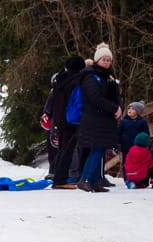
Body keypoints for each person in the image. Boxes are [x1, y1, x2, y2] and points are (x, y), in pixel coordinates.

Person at [76, 43, 122, 193]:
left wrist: (119, 106)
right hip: (93, 119)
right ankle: (85, 179)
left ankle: (95, 181)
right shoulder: (90, 76)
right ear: (97, 60)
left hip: (104, 119)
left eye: (109, 60)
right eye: (104, 60)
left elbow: (116, 95)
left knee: (100, 150)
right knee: (96, 150)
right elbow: (95, 98)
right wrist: (113, 108)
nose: (107, 63)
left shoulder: (108, 76)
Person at [49, 55, 87, 189]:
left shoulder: (59, 80)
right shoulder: (76, 81)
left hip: (59, 118)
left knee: (62, 149)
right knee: (67, 150)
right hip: (71, 119)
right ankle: (60, 179)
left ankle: (58, 176)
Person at [117, 101, 149, 178]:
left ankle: (137, 176)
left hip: (137, 147)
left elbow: (145, 134)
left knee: (137, 162)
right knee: (126, 161)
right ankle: (126, 177)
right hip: (126, 146)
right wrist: (117, 143)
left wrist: (145, 144)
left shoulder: (142, 122)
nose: (130, 110)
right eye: (129, 108)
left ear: (138, 111)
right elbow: (118, 133)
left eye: (133, 109)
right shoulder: (123, 121)